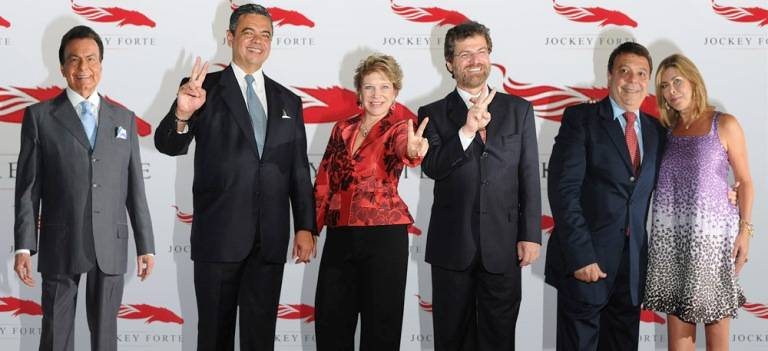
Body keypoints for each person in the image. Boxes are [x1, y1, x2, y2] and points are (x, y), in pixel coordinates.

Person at [153, 4, 315, 351]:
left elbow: (299, 169)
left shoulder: (288, 101)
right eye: (248, 33)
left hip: (269, 239)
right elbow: (168, 144)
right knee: (214, 337)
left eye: (265, 35)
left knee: (260, 340)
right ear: (230, 37)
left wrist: (305, 226)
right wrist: (181, 113)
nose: (258, 41)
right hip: (219, 237)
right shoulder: (202, 89)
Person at [13, 25, 155, 351]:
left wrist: (146, 245)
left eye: (91, 59)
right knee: (55, 336)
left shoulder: (125, 119)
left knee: (105, 339)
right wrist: (24, 246)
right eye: (74, 60)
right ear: (62, 67)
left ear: (101, 65)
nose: (83, 68)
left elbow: (135, 189)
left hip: (111, 245)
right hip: (60, 243)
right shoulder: (40, 117)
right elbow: (28, 189)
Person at [418, 21, 541, 350]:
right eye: (465, 54)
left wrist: (530, 235)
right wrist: (466, 131)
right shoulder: (432, 114)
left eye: (481, 52)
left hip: (503, 247)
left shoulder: (519, 110)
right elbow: (433, 168)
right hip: (452, 247)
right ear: (449, 63)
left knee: (499, 339)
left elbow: (529, 175)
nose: (475, 60)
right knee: (451, 338)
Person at [544, 42, 667, 351]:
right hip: (587, 262)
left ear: (649, 81)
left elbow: (672, 183)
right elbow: (564, 192)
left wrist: (725, 193)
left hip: (633, 267)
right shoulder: (581, 119)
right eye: (624, 71)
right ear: (610, 75)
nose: (633, 80)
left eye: (641, 73)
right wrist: (582, 255)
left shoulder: (656, 131)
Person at [313, 54, 429, 350]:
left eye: (384, 87)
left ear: (395, 93)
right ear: (359, 92)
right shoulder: (342, 128)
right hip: (340, 234)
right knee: (330, 323)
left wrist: (415, 152)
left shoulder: (401, 128)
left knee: (381, 328)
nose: (376, 95)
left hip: (384, 236)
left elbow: (406, 150)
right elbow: (325, 177)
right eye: (369, 87)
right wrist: (310, 229)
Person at [642, 54, 753, 351]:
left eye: (677, 81)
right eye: (664, 86)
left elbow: (746, 182)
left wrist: (745, 231)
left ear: (694, 81)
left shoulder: (723, 124)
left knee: (717, 343)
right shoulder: (665, 133)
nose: (671, 91)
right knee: (678, 347)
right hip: (672, 247)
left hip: (711, 246)